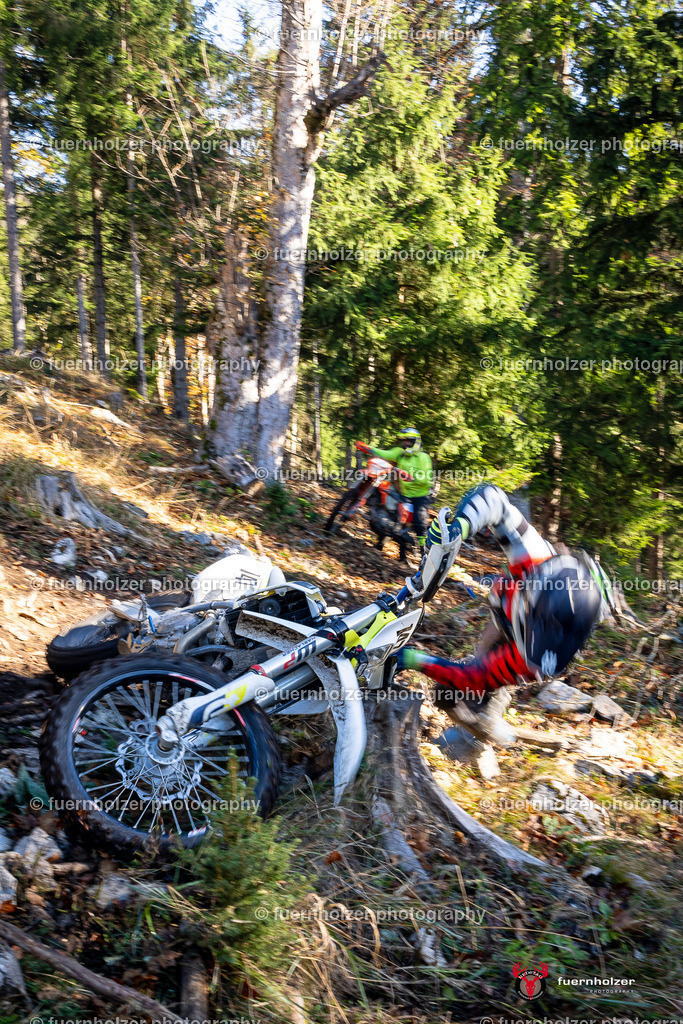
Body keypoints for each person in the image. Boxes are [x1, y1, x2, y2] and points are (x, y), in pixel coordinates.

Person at [395, 483, 617, 746]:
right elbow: (494, 500)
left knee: (465, 689)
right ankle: (483, 723)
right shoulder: (536, 556)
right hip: (531, 599)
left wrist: (412, 658)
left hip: (526, 639)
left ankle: (487, 731)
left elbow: (474, 679)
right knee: (466, 676)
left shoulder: (535, 657)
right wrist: (459, 528)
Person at [357, 427, 434, 550]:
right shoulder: (400, 453)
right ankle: (381, 542)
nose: (405, 444)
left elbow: (427, 479)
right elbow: (385, 453)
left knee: (420, 522)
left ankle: (423, 550)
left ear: (416, 441)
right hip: (404, 494)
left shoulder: (423, 457)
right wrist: (368, 448)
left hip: (420, 497)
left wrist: (412, 478)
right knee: (388, 511)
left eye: (408, 441)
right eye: (403, 441)